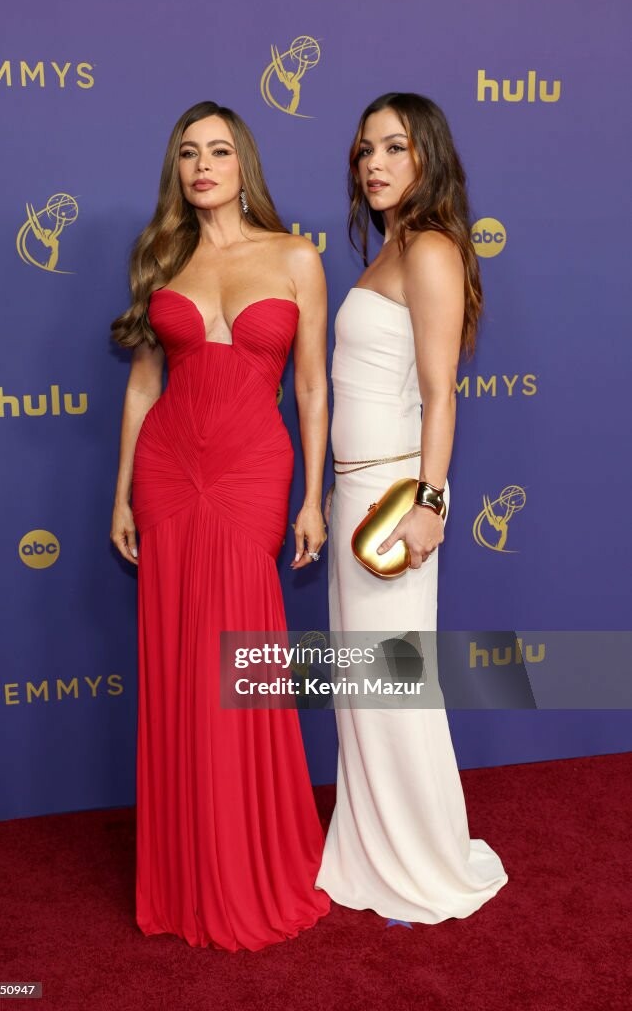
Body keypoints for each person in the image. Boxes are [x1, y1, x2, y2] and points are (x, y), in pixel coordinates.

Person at [110, 101, 330, 951]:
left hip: (250, 470)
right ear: (178, 169)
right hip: (168, 472)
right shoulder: (163, 258)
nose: (203, 165)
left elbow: (310, 386)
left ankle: (250, 859)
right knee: (181, 659)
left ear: (245, 167)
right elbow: (143, 386)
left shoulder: (296, 256)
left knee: (240, 658)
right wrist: (121, 494)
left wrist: (313, 497)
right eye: (189, 153)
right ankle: (186, 869)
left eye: (220, 151)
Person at [316, 93, 508, 922]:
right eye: (366, 150)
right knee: (366, 686)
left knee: (393, 685)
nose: (376, 163)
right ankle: (374, 850)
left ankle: (419, 861)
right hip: (356, 491)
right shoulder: (390, 247)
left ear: (428, 154)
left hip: (397, 497)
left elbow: (441, 393)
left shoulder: (429, 248)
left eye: (394, 147)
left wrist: (429, 504)